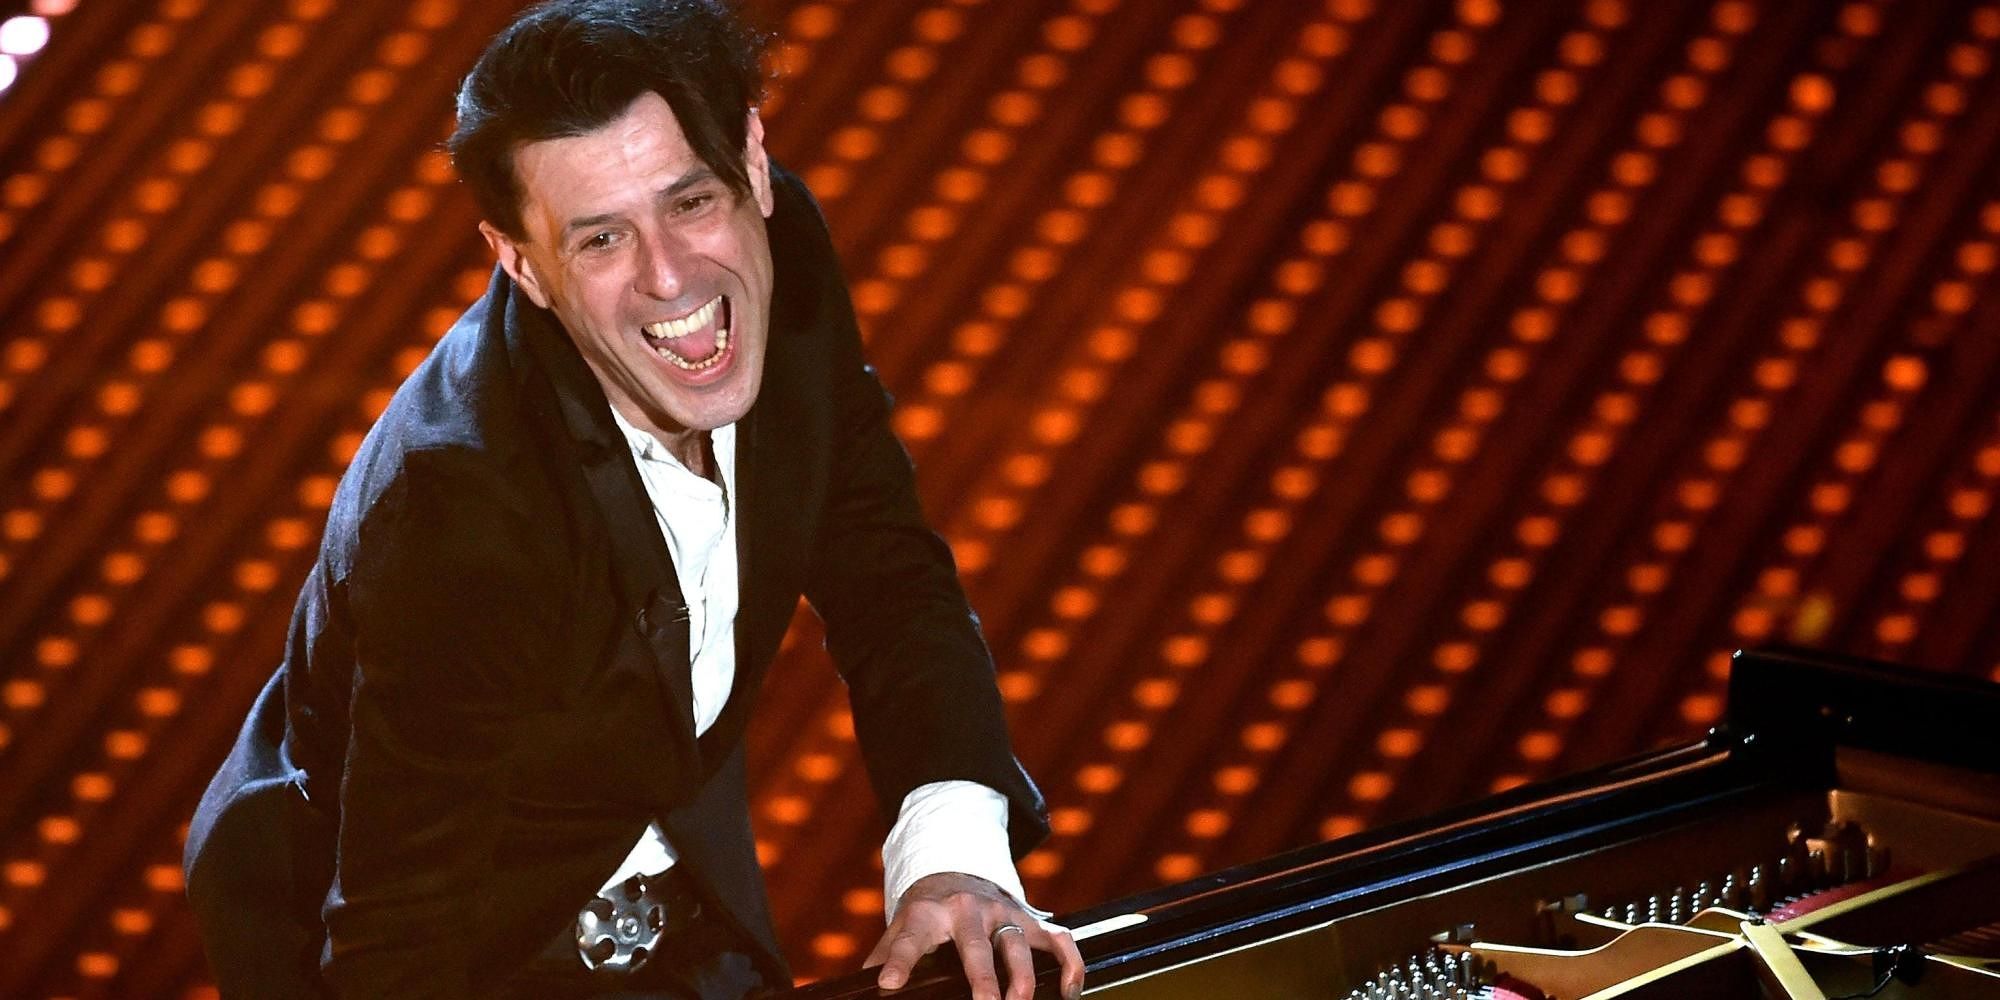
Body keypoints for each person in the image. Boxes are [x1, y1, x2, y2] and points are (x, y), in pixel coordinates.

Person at [182, 2, 1084, 998]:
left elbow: (884, 571)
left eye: (690, 202)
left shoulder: (776, 260)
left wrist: (954, 856)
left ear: (751, 164)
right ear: (521, 263)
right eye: (602, 238)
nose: (670, 276)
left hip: (671, 904)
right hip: (456, 949)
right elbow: (399, 934)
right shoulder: (460, 511)